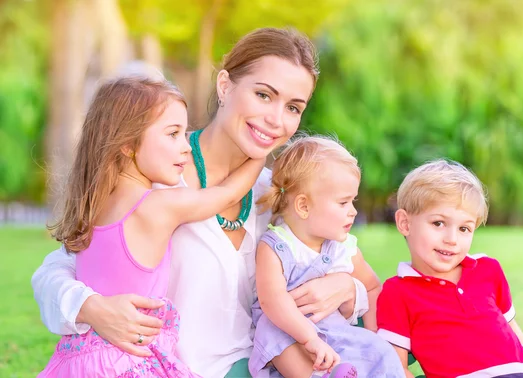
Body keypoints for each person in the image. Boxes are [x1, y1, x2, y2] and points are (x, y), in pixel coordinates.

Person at [32, 28, 370, 378]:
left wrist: (348, 288)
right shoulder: (155, 172)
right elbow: (58, 269)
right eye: (263, 95)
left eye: (293, 107)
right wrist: (91, 307)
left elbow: (371, 287)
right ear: (224, 86)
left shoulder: (286, 194)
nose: (277, 120)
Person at [38, 76, 266, 377]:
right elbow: (226, 194)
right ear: (128, 146)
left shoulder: (94, 204)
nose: (185, 147)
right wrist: (261, 152)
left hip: (79, 357)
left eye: (184, 134)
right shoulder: (158, 205)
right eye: (173, 134)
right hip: (130, 358)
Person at [376, 159, 523, 378]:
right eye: (438, 223)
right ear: (405, 223)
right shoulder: (397, 291)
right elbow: (395, 367)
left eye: (464, 228)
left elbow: (512, 329)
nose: (452, 239)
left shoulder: (488, 269)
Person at [249, 136, 405, 378]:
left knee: (381, 353)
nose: (353, 211)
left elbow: (372, 286)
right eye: (343, 202)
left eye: (352, 201)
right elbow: (273, 302)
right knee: (272, 328)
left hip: (335, 335)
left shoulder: (343, 249)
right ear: (303, 206)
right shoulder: (276, 247)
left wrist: (374, 337)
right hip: (291, 336)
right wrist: (310, 339)